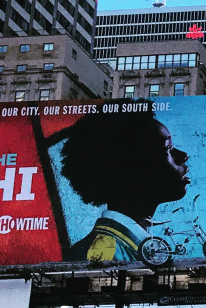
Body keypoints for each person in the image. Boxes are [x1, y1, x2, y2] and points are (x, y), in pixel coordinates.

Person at [59, 112, 191, 262]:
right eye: (168, 149)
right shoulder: (105, 253)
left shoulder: (135, 247)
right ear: (133, 171)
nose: (183, 155)